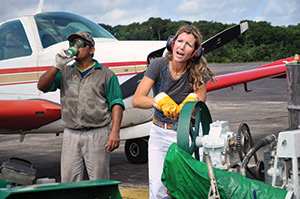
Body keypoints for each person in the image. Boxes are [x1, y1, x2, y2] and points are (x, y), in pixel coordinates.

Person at [132, 25, 215, 198]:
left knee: (189, 185)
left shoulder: (198, 71)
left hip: (187, 134)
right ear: (172, 43)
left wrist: (191, 103)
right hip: (159, 134)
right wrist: (158, 101)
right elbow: (137, 99)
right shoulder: (158, 65)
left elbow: (201, 107)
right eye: (180, 41)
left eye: (189, 44)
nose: (182, 47)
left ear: (195, 52)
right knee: (157, 188)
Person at [37, 32, 124, 182]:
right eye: (72, 44)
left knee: (99, 180)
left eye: (80, 44)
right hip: (71, 133)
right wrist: (57, 66)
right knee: (68, 180)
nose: (75, 47)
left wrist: (114, 132)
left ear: (91, 50)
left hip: (97, 133)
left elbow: (116, 103)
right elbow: (42, 86)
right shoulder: (65, 72)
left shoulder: (106, 74)